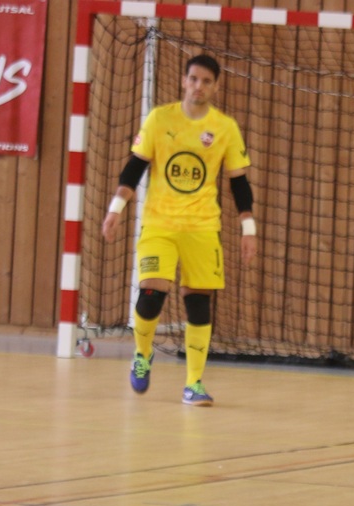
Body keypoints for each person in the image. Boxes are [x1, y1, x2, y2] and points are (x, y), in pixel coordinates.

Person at [101, 53, 255, 407]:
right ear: (184, 81)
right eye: (194, 79)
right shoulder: (160, 119)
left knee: (198, 304)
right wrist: (115, 209)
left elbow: (239, 182)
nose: (199, 86)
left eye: (206, 81)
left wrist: (249, 228)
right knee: (151, 293)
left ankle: (194, 383)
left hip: (203, 227)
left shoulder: (225, 128)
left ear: (215, 87)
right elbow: (134, 167)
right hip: (160, 223)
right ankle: (142, 354)